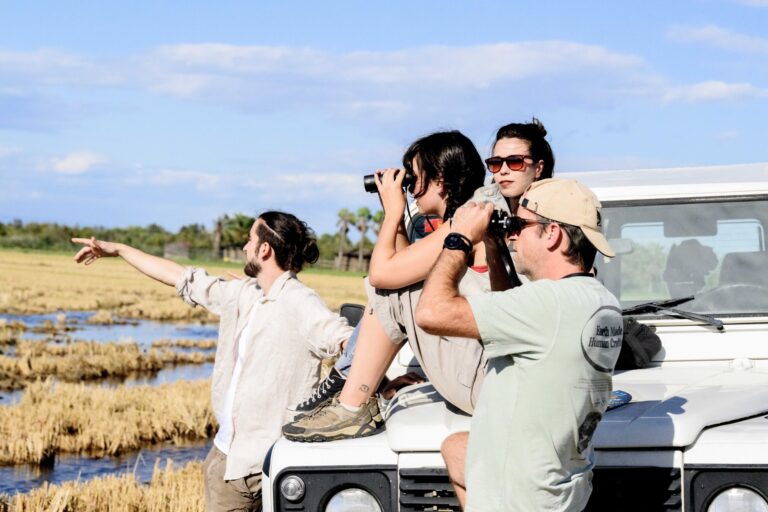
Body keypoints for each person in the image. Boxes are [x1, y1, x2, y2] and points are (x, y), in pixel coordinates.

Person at [283, 121, 555, 442]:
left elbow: (383, 275)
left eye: (514, 162)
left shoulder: (474, 216)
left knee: (386, 292)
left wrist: (393, 213)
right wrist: (395, 212)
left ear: (440, 178)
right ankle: (351, 387)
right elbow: (401, 268)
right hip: (505, 376)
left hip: (494, 381)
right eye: (494, 164)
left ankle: (351, 405)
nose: (502, 172)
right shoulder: (524, 215)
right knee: (398, 286)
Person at [72, 211, 352, 512]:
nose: (245, 247)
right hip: (227, 453)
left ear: (264, 250)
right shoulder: (246, 293)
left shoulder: (300, 301)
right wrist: (120, 250)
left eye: (249, 240)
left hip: (259, 464)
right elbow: (180, 277)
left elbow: (349, 342)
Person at [415, 178, 623, 511]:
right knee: (457, 449)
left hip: (518, 501)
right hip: (556, 487)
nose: (513, 233)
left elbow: (430, 312)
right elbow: (512, 314)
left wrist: (459, 237)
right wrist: (495, 246)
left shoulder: (548, 304)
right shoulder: (599, 300)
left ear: (552, 233)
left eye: (520, 225)